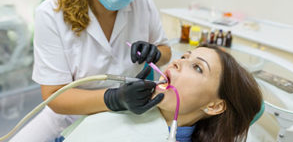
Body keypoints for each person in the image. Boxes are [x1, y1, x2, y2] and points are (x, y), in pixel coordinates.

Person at [10, 0, 171, 141]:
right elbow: (55, 95)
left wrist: (155, 52)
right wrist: (114, 98)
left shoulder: (143, 3)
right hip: (69, 117)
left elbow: (165, 50)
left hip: (126, 116)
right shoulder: (51, 14)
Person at [59, 45, 263, 142]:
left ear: (214, 106)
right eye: (184, 56)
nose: (177, 61)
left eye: (197, 67)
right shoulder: (138, 107)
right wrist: (116, 99)